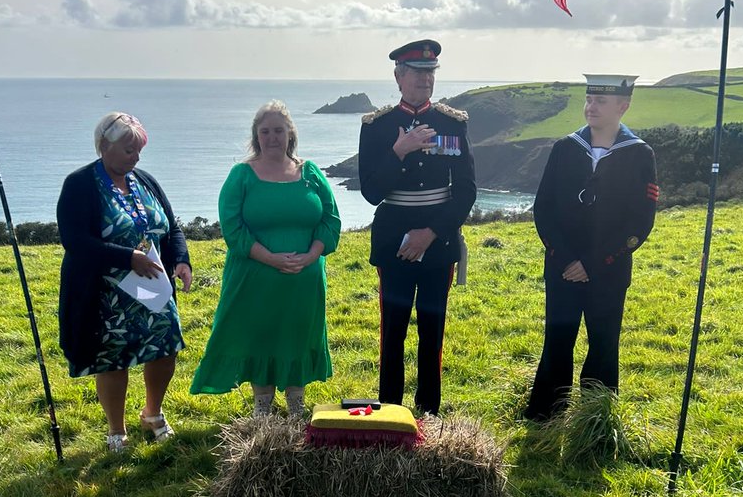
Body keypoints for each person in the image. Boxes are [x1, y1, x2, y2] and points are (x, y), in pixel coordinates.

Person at [191, 100, 341, 416]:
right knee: (260, 335)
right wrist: (272, 259)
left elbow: (330, 220)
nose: (272, 137)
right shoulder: (241, 175)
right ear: (256, 136)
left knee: (298, 334)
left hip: (304, 279)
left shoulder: (311, 173)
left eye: (278, 130)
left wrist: (311, 256)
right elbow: (233, 229)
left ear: (290, 134)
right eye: (265, 131)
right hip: (254, 278)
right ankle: (262, 406)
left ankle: (296, 405)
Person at [523, 74, 659, 422]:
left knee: (603, 344)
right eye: (588, 99)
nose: (591, 106)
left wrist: (594, 263)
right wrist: (566, 258)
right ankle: (545, 415)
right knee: (557, 340)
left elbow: (640, 222)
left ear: (623, 106)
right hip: (561, 266)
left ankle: (595, 419)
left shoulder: (639, 154)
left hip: (609, 271)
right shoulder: (565, 148)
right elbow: (544, 209)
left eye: (600, 101)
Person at [57, 112, 192, 451]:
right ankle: (116, 430)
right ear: (104, 146)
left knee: (164, 350)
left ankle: (153, 413)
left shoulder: (145, 180)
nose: (136, 157)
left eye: (138, 150)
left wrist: (181, 260)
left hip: (154, 288)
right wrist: (127, 257)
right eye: (128, 150)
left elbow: (171, 226)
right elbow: (75, 241)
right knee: (113, 359)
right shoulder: (80, 184)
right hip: (105, 295)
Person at [358, 39, 477, 415]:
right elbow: (372, 192)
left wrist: (431, 234)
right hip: (393, 242)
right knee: (392, 333)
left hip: (437, 242)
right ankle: (391, 412)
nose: (425, 79)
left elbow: (467, 191)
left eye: (430, 72)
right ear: (398, 77)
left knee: (432, 330)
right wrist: (399, 151)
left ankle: (428, 413)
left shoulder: (452, 123)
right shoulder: (378, 127)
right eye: (417, 72)